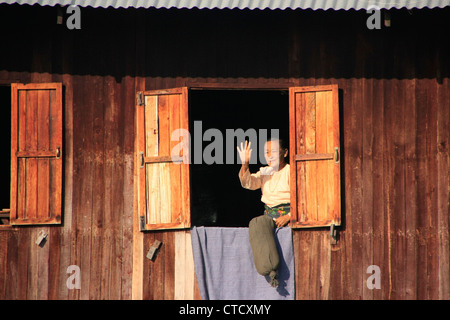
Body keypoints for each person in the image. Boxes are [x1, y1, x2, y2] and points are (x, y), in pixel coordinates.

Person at [237, 138, 290, 227]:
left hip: (288, 219)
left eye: (273, 151)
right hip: (268, 219)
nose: (270, 156)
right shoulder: (265, 172)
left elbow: (303, 200)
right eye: (267, 152)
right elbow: (248, 183)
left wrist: (289, 216)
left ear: (285, 153)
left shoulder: (291, 171)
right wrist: (245, 163)